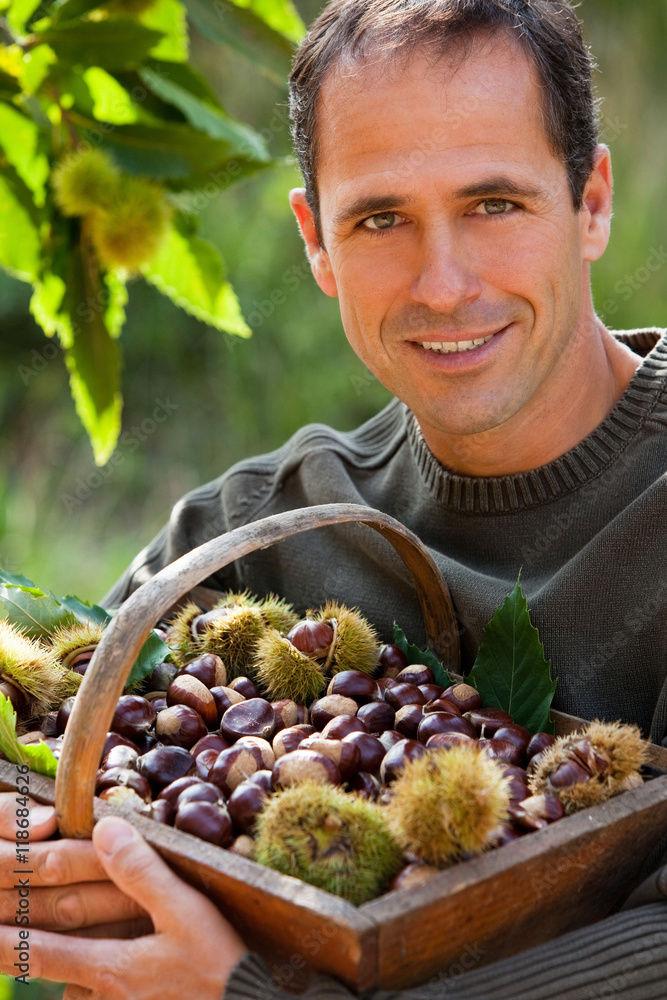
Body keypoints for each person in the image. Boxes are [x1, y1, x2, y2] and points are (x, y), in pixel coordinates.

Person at [1, 1, 667, 997]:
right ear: (316, 241)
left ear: (592, 202)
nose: (443, 285)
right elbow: (63, 755)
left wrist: (258, 987)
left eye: (495, 204)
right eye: (380, 218)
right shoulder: (249, 536)